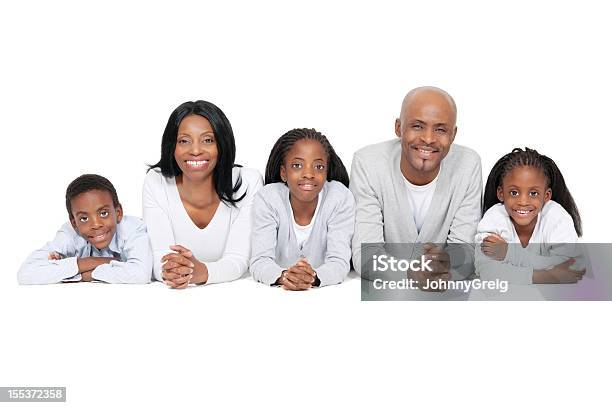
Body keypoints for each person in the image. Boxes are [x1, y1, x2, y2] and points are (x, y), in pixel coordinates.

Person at [350, 86, 482, 289]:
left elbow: (466, 250)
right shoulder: (368, 164)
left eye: (440, 129)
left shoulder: (468, 164)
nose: (428, 139)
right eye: (418, 126)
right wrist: (408, 273)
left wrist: (448, 266)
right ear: (398, 127)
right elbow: (365, 254)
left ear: (453, 135)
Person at [143, 100, 262, 289]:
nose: (196, 150)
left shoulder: (248, 182)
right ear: (172, 146)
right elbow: (158, 256)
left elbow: (239, 259)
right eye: (184, 141)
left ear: (222, 144)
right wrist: (170, 272)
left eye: (208, 140)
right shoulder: (156, 182)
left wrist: (201, 273)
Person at [250, 128, 355, 290]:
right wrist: (283, 276)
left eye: (319, 167)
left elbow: (339, 261)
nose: (308, 174)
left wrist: (313, 278)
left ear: (327, 171)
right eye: (297, 165)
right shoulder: (268, 198)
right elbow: (259, 260)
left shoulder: (339, 198)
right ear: (283, 172)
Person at [476, 147, 585, 284]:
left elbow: (572, 266)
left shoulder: (556, 217)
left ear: (546, 196)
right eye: (514, 192)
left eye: (533, 193)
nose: (523, 202)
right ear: (501, 193)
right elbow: (489, 275)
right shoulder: (494, 219)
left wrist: (510, 254)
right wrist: (547, 276)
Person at [18, 174, 152, 284]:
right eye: (83, 218)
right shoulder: (69, 233)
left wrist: (86, 275)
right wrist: (93, 262)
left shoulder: (134, 229)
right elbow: (26, 273)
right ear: (74, 223)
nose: (96, 224)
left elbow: (140, 274)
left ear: (118, 212)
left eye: (103, 213)